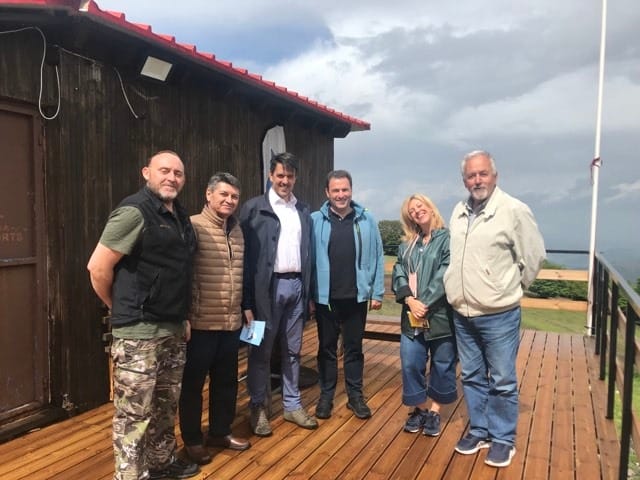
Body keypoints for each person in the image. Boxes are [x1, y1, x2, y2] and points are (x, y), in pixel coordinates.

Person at [87, 151, 199, 480]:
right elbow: (97, 267)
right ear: (146, 173)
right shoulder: (133, 212)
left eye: (178, 173)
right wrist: (118, 307)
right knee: (133, 415)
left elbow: (177, 273)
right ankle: (131, 475)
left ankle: (162, 463)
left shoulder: (179, 216)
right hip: (138, 334)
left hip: (172, 329)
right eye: (164, 170)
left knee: (164, 407)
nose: (172, 178)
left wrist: (183, 318)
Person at [444, 150, 545, 468]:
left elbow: (534, 256)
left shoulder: (514, 210)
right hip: (463, 312)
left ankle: (502, 439)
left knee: (502, 379)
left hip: (499, 315)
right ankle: (480, 431)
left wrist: (510, 289)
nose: (477, 180)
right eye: (471, 175)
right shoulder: (458, 211)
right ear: (464, 180)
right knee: (471, 375)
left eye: (483, 173)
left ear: (495, 176)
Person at [239, 152, 318, 437]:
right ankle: (258, 407)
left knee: (293, 351)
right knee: (259, 350)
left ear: (296, 178)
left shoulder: (303, 211)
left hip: (296, 288)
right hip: (265, 291)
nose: (285, 181)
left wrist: (309, 294)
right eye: (280, 175)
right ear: (271, 176)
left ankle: (292, 404)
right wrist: (246, 301)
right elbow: (244, 259)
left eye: (290, 176)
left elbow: (309, 256)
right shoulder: (253, 209)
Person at [178, 172, 250, 465]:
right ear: (208, 195)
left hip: (230, 322)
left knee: (226, 382)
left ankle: (220, 432)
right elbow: (181, 274)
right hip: (200, 323)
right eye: (223, 194)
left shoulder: (237, 230)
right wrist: (183, 315)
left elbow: (242, 273)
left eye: (234, 196)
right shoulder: (193, 226)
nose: (229, 200)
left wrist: (245, 306)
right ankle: (193, 440)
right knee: (193, 385)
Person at [310, 170, 385, 420]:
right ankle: (326, 396)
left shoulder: (366, 219)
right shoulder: (315, 221)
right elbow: (308, 260)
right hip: (326, 299)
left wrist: (377, 292)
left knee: (354, 349)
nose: (341, 195)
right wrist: (310, 295)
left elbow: (378, 255)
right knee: (326, 349)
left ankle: (355, 396)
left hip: (356, 297)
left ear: (351, 190)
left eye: (345, 190)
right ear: (327, 193)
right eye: (336, 190)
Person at [392, 194, 457, 437]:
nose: (417, 211)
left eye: (420, 206)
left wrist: (425, 302)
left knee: (442, 364)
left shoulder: (448, 239)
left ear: (430, 207)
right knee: (410, 362)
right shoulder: (407, 245)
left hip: (441, 316)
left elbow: (446, 272)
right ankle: (419, 409)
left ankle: (435, 412)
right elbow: (399, 271)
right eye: (412, 211)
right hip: (412, 316)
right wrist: (410, 300)